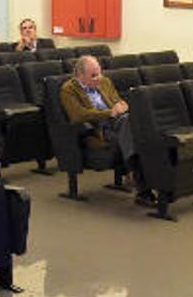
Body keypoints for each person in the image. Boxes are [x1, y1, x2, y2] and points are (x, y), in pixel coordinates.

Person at [59, 55, 153, 205]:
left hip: (119, 121)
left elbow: (118, 100)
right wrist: (109, 113)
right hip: (99, 127)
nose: (98, 78)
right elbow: (78, 115)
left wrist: (123, 105)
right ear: (80, 75)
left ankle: (141, 182)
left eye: (99, 73)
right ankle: (142, 185)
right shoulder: (68, 89)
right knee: (131, 130)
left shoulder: (105, 82)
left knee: (136, 128)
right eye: (93, 75)